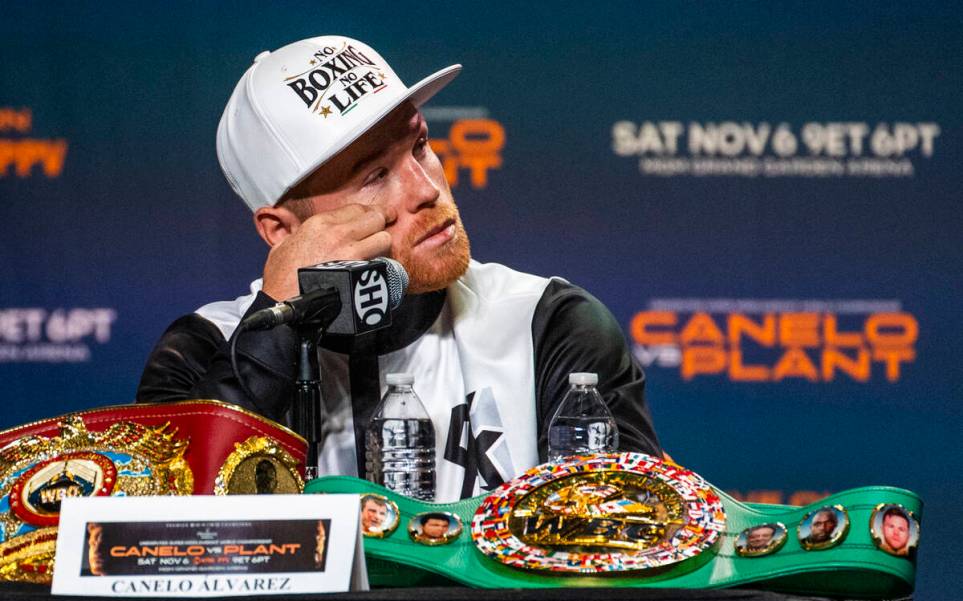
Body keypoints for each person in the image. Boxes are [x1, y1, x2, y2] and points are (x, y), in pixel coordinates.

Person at [137, 35, 661, 502]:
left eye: (420, 145)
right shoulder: (206, 350)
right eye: (374, 176)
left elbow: (627, 546)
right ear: (283, 233)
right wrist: (274, 327)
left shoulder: (549, 326)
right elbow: (163, 544)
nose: (426, 188)